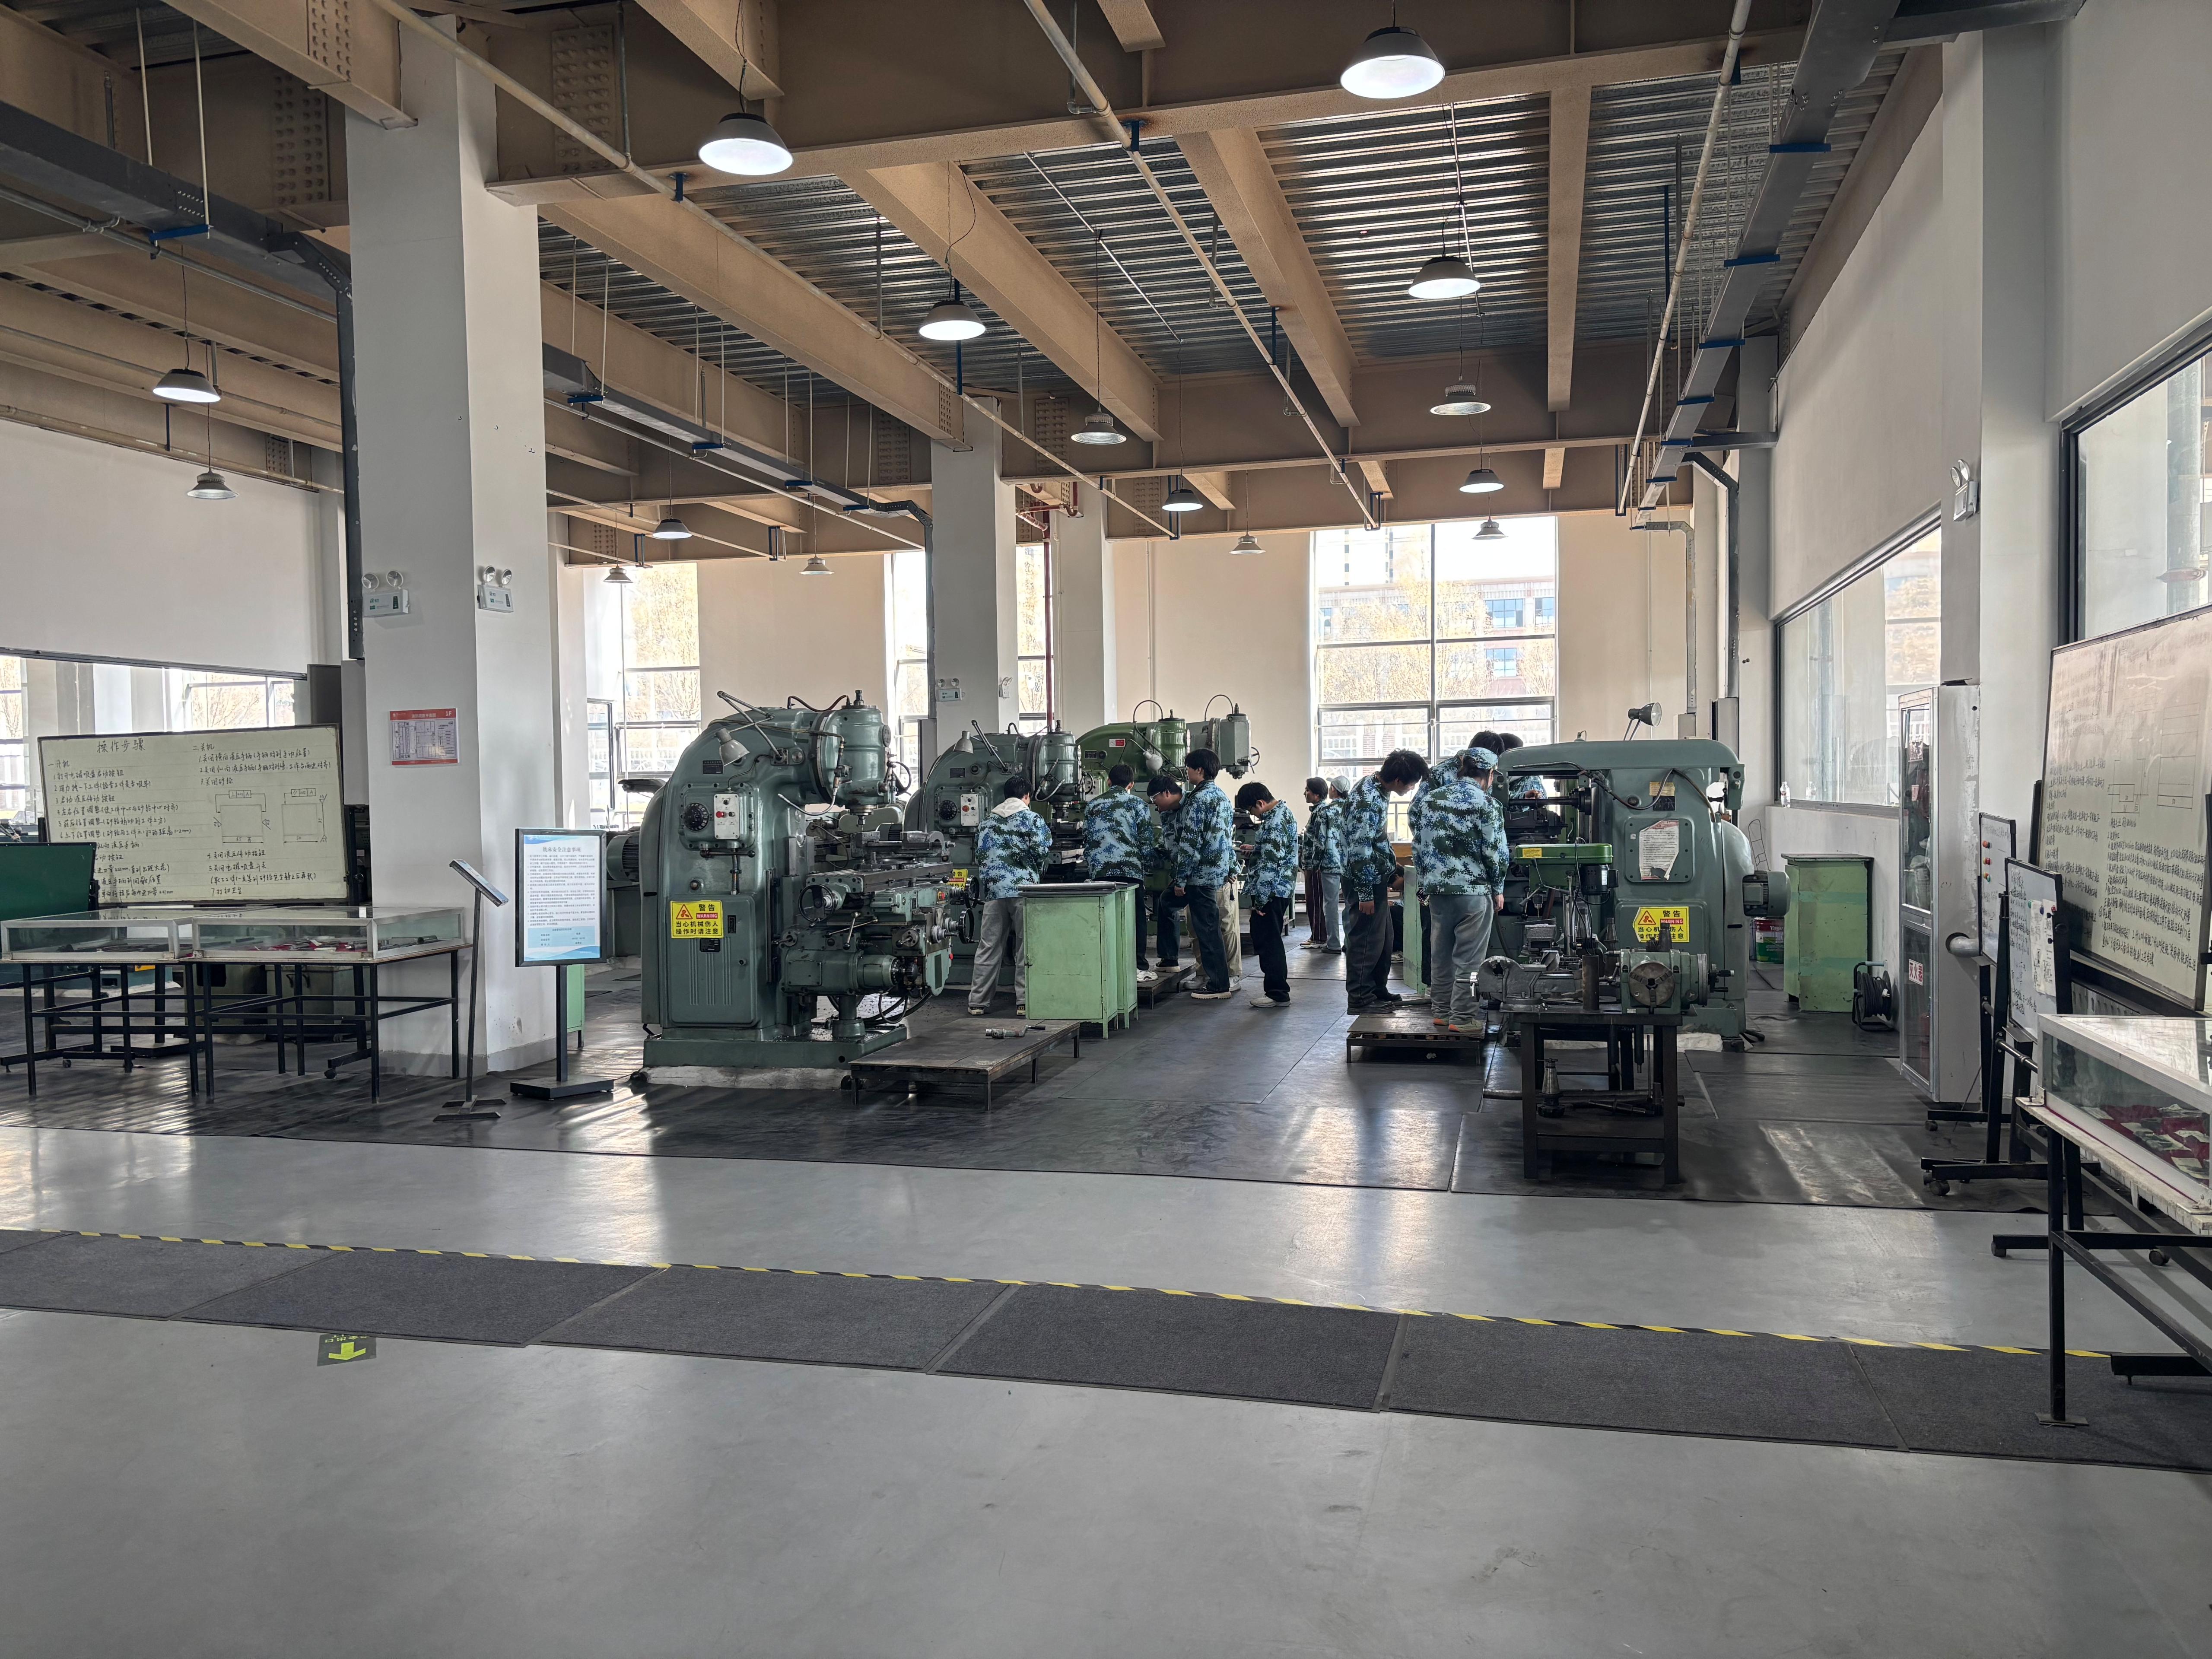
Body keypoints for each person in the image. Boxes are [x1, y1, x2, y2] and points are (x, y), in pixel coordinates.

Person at [1413, 747, 1510, 1033]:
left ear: (1462, 767)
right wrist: (1498, 888)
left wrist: (1425, 882)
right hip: (1473, 893)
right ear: (1490, 774)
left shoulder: (1430, 800)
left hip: (1438, 892)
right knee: (1469, 959)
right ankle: (1463, 1017)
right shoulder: (1487, 804)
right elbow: (1495, 852)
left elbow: (1419, 847)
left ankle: (1442, 1011)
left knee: (1441, 955)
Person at [1340, 750, 1427, 1014]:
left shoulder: (1380, 789)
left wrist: (1391, 870)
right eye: (1412, 784)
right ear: (1399, 780)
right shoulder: (1367, 799)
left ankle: (1377, 989)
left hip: (1374, 877)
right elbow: (1359, 850)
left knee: (1384, 939)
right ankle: (1360, 997)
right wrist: (1365, 894)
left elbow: (1376, 841)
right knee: (1366, 941)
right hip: (1363, 881)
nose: (1412, 789)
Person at [967, 776, 1052, 1015]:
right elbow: (1042, 850)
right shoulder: (1032, 819)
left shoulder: (987, 822)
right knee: (1025, 947)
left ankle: (977, 1002)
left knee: (988, 946)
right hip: (1024, 892)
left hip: (994, 893)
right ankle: (1024, 1002)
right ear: (1027, 797)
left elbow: (980, 856)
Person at [1163, 748, 1236, 1000]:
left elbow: (1190, 842)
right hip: (1216, 872)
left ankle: (1218, 986)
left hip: (1200, 875)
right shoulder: (1222, 797)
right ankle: (1215, 980)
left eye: (1188, 768)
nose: (1186, 772)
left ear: (1199, 770)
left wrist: (1181, 878)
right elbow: (1227, 838)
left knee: (1207, 930)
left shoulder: (1198, 800)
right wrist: (1231, 867)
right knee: (1205, 925)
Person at [1083, 762, 1156, 968]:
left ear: (1109, 782)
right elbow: (1146, 840)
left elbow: (1087, 837)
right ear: (1131, 784)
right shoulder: (1138, 805)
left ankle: (1107, 966)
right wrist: (1148, 865)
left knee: (1105, 918)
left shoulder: (1093, 805)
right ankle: (1138, 965)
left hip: (1101, 871)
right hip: (1131, 870)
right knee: (1136, 918)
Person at [1235, 781, 1298, 1007]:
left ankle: (1277, 993)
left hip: (1271, 892)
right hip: (1280, 889)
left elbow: (1271, 866)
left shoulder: (1274, 824)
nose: (1253, 815)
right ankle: (1276, 990)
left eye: (1252, 810)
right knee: (1268, 938)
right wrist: (1256, 849)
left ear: (1260, 803)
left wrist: (1260, 901)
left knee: (1268, 941)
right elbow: (1277, 851)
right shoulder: (1282, 813)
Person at [1298, 776, 1343, 952]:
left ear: (1317, 794)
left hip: (1317, 865)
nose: (1305, 794)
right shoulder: (1319, 811)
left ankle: (1319, 937)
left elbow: (1319, 841)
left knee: (1317, 902)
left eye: (1308, 790)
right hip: (1317, 864)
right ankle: (1320, 936)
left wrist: (1315, 865)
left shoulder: (1322, 812)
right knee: (1317, 902)